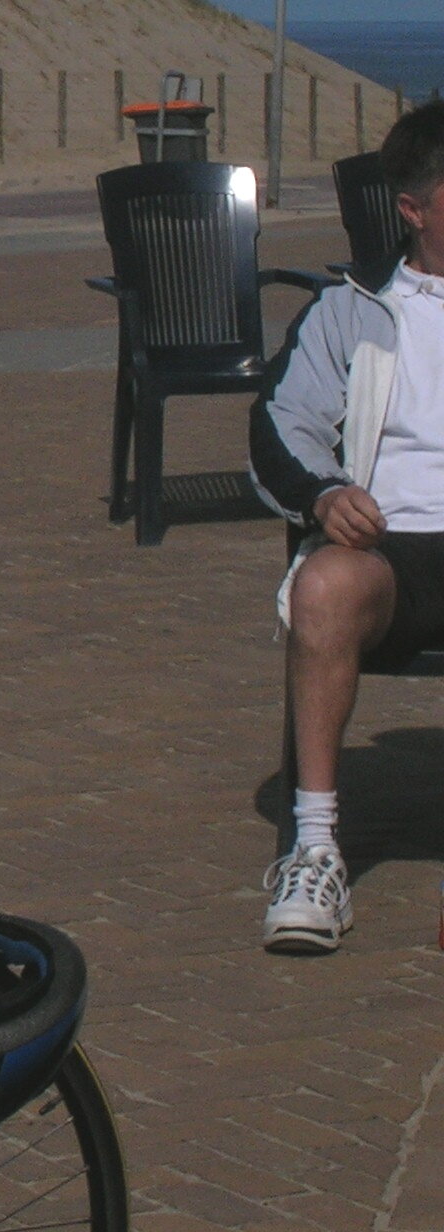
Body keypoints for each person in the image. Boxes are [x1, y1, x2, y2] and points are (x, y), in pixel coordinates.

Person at [250, 98, 444, 954]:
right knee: (322, 584)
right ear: (415, 208)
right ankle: (315, 848)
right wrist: (326, 496)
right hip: (390, 550)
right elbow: (279, 425)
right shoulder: (350, 310)